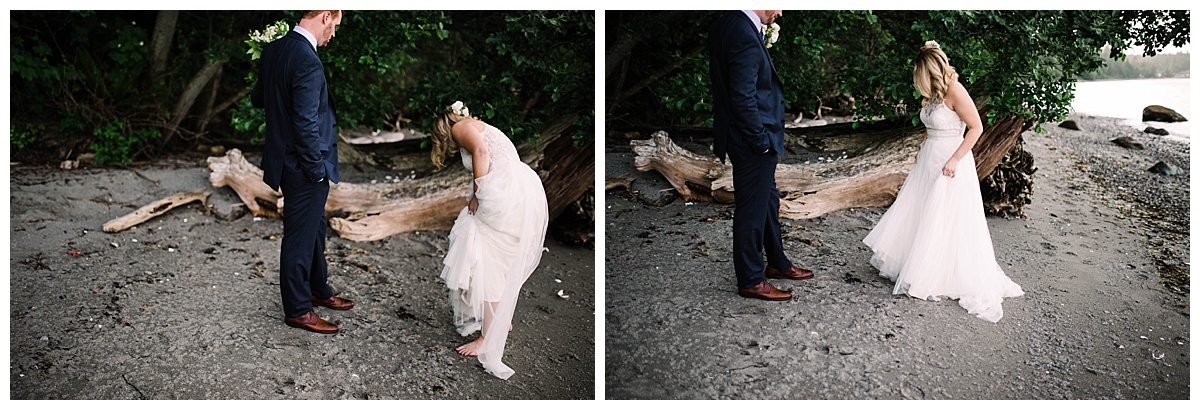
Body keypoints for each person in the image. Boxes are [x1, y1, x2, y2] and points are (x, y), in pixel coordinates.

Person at [862, 40, 1024, 322]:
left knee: (945, 217)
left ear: (930, 71)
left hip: (951, 161)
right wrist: (922, 150)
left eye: (920, 74)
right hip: (930, 159)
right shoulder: (934, 96)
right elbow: (931, 127)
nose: (918, 80)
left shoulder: (955, 90)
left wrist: (954, 160)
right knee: (923, 212)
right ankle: (917, 265)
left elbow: (976, 128)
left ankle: (936, 275)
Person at [251, 10, 353, 334]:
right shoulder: (308, 61)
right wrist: (316, 171)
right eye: (334, 26)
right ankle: (297, 308)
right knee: (298, 236)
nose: (333, 35)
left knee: (315, 227)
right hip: (304, 166)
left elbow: (258, 99)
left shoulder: (274, 49)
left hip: (285, 160)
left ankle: (317, 288)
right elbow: (306, 123)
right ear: (325, 16)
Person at [430, 101, 549, 379]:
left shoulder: (459, 128)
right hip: (518, 186)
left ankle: (487, 338)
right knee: (497, 252)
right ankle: (500, 319)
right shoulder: (476, 125)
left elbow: (482, 151)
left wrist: (477, 193)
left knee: (487, 255)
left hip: (502, 190)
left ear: (443, 126)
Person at [708, 10, 815, 301]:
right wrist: (761, 141)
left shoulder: (729, 22)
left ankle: (777, 263)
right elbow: (742, 95)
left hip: (740, 134)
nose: (780, 12)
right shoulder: (743, 33)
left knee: (767, 199)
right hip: (751, 139)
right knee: (751, 210)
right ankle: (752, 280)